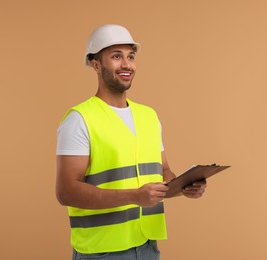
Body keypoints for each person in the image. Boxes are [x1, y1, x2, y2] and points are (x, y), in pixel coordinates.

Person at [55, 24, 207, 260]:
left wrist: (183, 187)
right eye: (116, 56)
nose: (127, 64)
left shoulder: (149, 116)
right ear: (96, 64)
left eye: (131, 56)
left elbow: (164, 171)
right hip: (101, 251)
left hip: (147, 246)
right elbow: (66, 192)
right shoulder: (80, 119)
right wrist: (134, 197)